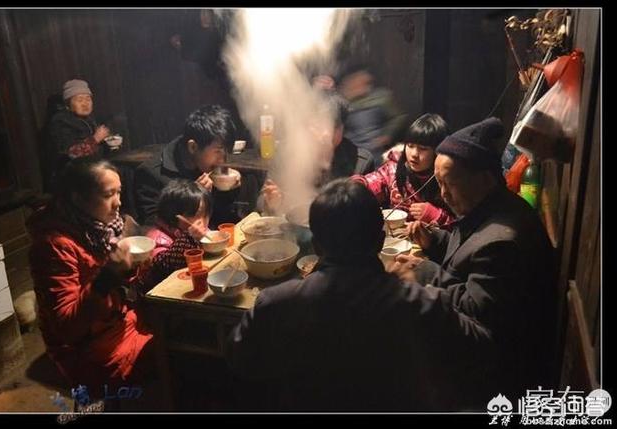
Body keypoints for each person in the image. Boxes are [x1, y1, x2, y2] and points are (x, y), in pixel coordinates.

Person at [226, 179, 449, 411]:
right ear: (380, 241)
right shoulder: (419, 303)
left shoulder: (276, 303)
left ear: (316, 246)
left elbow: (240, 360)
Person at [392, 117, 558, 409]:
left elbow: (475, 309)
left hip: (498, 377)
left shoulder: (504, 240)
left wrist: (425, 272)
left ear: (484, 179)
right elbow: (466, 250)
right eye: (439, 183)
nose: (443, 194)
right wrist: (434, 240)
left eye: (449, 184)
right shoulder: (488, 207)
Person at [26, 158, 155, 404]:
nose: (118, 202)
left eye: (119, 192)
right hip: (89, 350)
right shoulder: (53, 246)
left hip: (121, 323)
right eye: (108, 195)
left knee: (181, 333)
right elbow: (67, 327)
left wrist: (131, 268)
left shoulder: (104, 229)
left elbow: (122, 285)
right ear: (78, 198)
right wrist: (108, 276)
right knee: (173, 356)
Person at [261, 91, 375, 215]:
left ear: (343, 128)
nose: (327, 133)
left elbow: (368, 211)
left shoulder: (360, 162)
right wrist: (272, 201)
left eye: (335, 127)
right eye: (319, 125)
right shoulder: (285, 155)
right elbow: (263, 200)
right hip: (293, 224)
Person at [134, 104, 243, 227]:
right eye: (218, 151)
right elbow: (152, 226)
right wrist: (193, 197)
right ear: (193, 147)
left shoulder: (205, 166)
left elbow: (220, 214)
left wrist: (229, 189)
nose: (223, 160)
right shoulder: (150, 173)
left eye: (227, 151)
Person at [351, 113, 454, 228]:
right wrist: (355, 187)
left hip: (433, 238)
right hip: (395, 236)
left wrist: (434, 214)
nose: (414, 154)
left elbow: (462, 225)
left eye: (423, 149)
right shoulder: (394, 168)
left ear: (438, 152)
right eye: (410, 146)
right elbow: (374, 181)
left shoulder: (450, 179)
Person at [136, 179, 212, 292]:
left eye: (206, 214)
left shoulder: (193, 231)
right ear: (174, 216)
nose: (202, 221)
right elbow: (163, 268)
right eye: (196, 214)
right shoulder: (156, 240)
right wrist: (189, 238)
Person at [338, 65, 408, 164]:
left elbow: (398, 117)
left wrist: (387, 135)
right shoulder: (343, 100)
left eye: (365, 82)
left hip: (373, 148)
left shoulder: (380, 98)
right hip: (350, 149)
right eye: (357, 81)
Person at [49, 79, 110, 163]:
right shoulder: (61, 121)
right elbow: (72, 154)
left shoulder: (88, 118)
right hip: (75, 170)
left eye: (88, 99)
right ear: (68, 104)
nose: (85, 104)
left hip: (95, 166)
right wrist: (96, 139)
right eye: (80, 100)